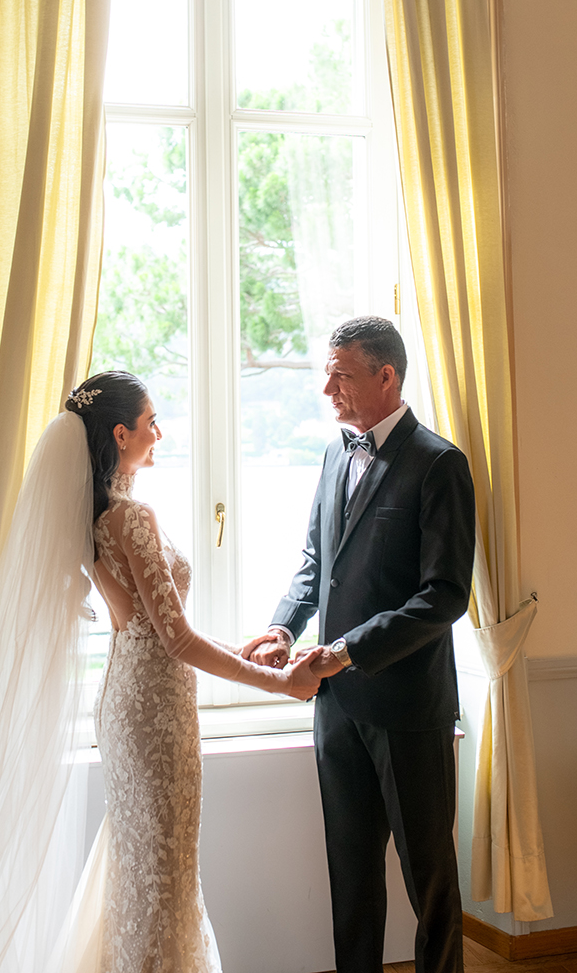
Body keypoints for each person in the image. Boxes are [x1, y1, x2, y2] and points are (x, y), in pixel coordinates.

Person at [0, 370, 319, 973]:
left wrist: (243, 649)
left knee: (143, 863)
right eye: (152, 421)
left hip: (129, 698)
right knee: (165, 869)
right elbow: (175, 638)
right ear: (122, 434)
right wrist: (280, 683)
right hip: (154, 710)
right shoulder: (132, 518)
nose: (161, 433)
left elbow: (153, 630)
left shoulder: (95, 518)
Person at [247, 317, 476, 973]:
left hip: (408, 710)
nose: (327, 389)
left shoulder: (440, 464)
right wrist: (284, 626)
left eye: (341, 375)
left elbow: (444, 595)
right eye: (327, 374)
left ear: (387, 376)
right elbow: (316, 563)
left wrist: (347, 649)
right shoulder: (332, 454)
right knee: (350, 876)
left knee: (430, 880)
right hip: (336, 708)